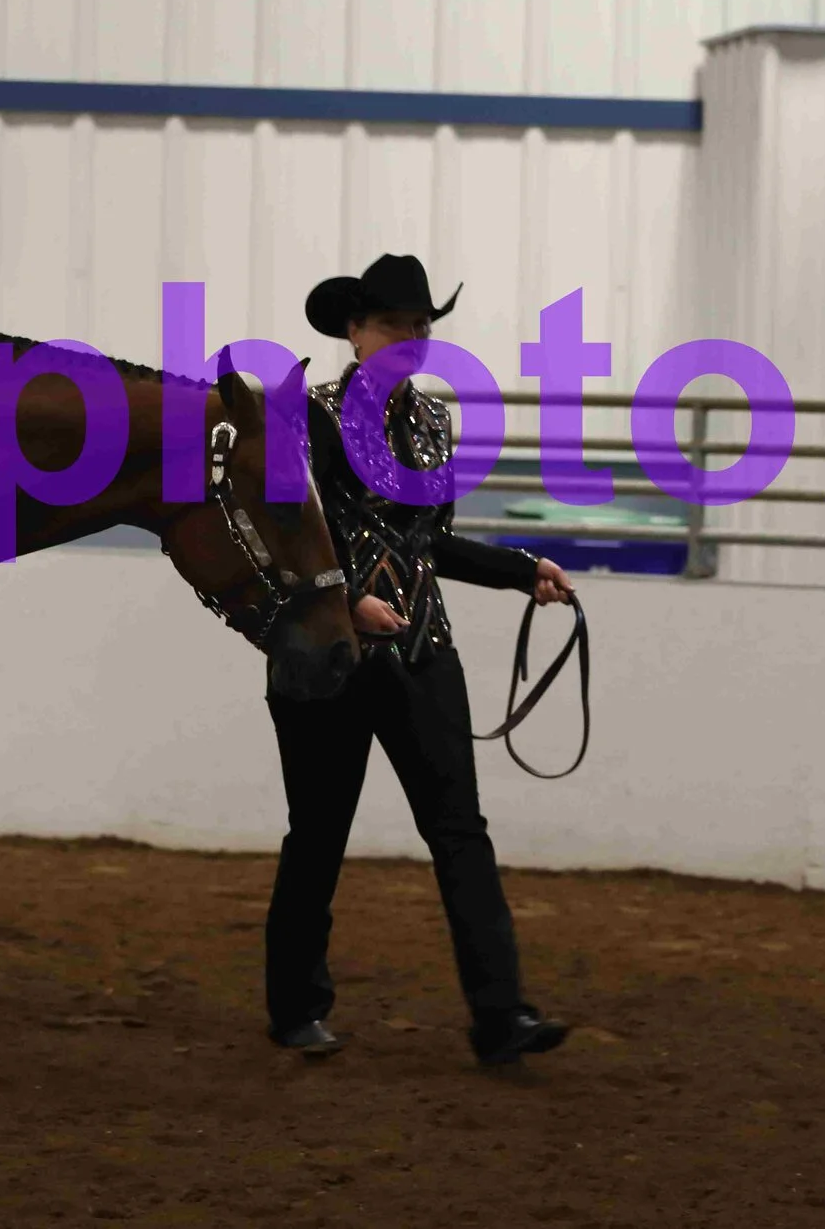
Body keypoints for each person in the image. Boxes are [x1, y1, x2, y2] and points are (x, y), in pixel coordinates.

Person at [265, 253, 576, 1065]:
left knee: (460, 830)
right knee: (318, 833)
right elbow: (284, 542)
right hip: (329, 654)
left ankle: (500, 1014)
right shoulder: (307, 417)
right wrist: (346, 605)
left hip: (421, 649)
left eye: (422, 324)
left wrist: (520, 569)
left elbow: (433, 543)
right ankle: (296, 1006)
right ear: (355, 330)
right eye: (395, 323)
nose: (412, 336)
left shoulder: (433, 423)